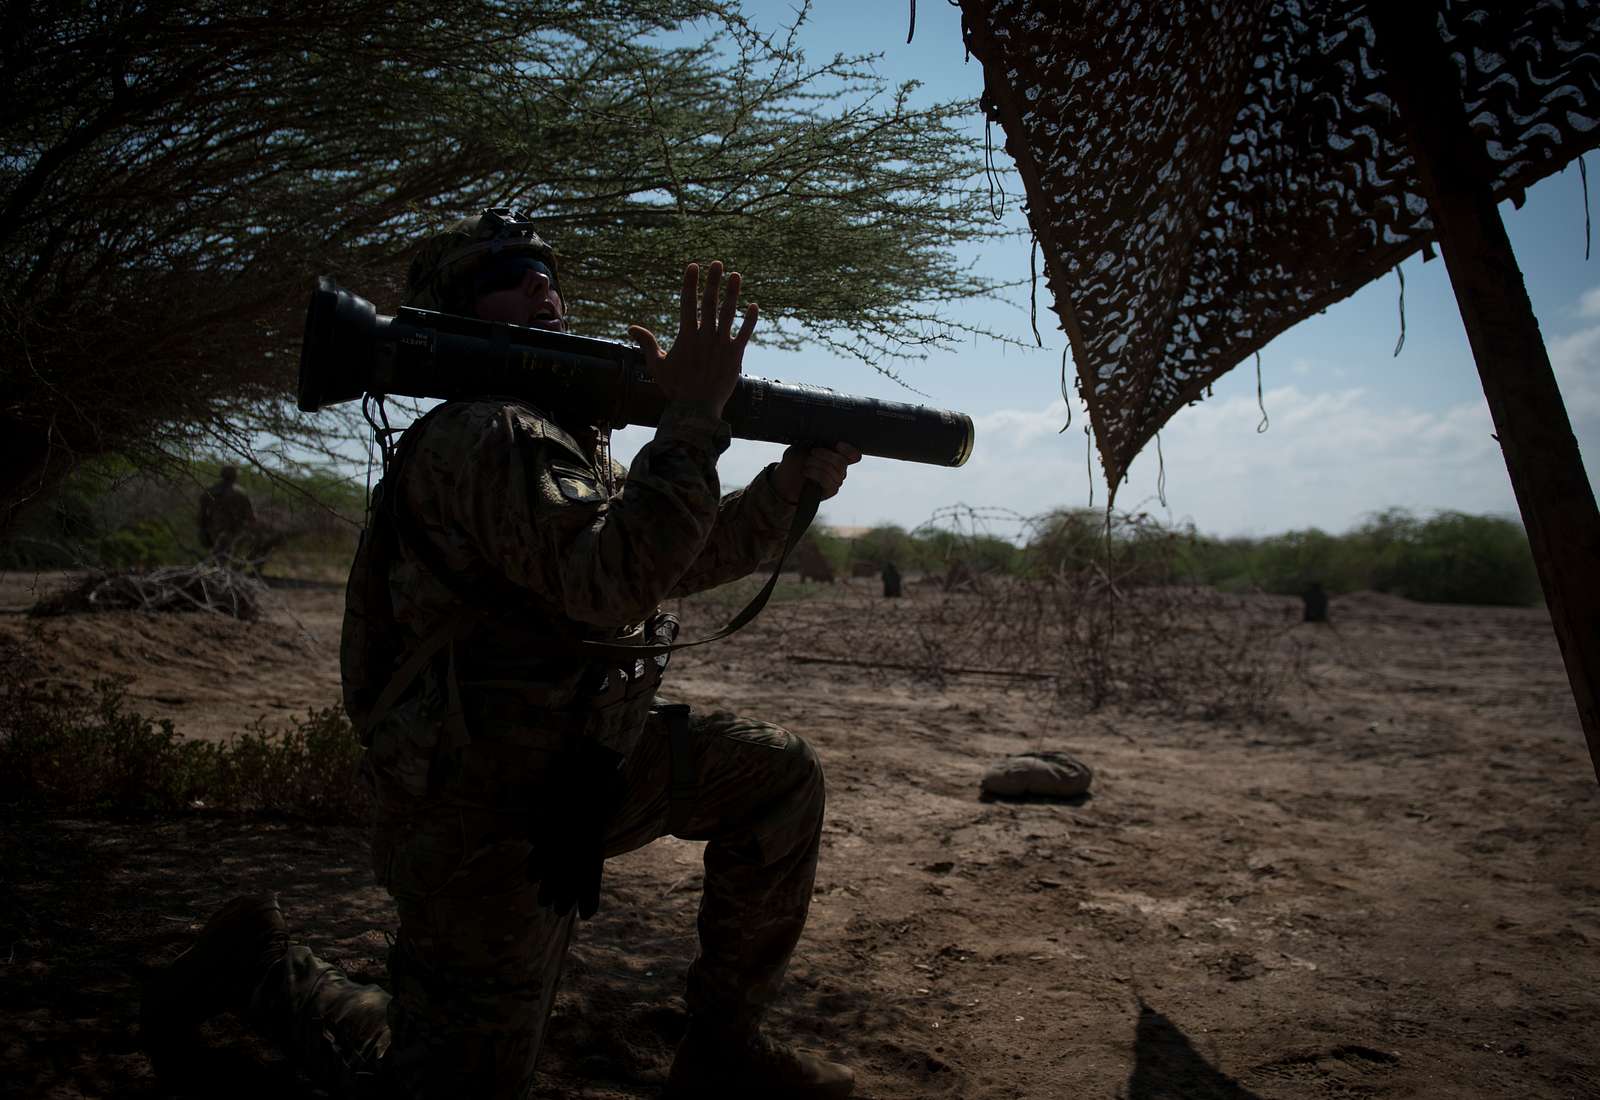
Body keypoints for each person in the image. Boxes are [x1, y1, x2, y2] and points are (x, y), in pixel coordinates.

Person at [141, 209, 862, 1098]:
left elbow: (666, 558)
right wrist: (691, 419)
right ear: (457, 317)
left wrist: (789, 486)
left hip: (580, 766)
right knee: (448, 1083)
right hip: (480, 806)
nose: (541, 283)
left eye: (545, 269)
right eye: (509, 274)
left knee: (776, 778)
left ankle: (721, 1053)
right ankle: (263, 964)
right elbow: (612, 577)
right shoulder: (485, 437)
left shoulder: (556, 438)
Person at [198, 465, 255, 558]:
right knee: (228, 554)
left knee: (218, 553)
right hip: (234, 530)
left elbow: (201, 513)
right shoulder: (240, 492)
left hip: (214, 528)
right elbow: (250, 516)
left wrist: (202, 528)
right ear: (235, 476)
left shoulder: (211, 490)